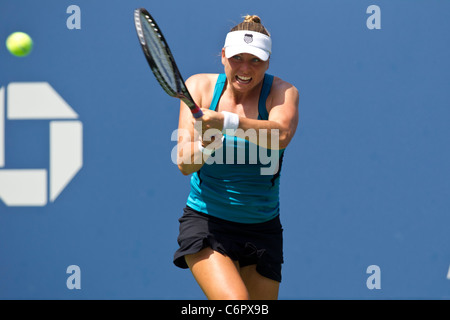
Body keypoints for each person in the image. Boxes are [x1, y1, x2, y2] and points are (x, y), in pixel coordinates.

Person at [173, 15, 299, 300]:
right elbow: (184, 162)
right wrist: (208, 141)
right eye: (237, 58)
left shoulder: (282, 93)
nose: (245, 68)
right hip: (207, 222)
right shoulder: (200, 88)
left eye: (255, 60)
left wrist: (225, 123)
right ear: (222, 56)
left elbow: (280, 136)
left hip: (263, 229)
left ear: (267, 63)